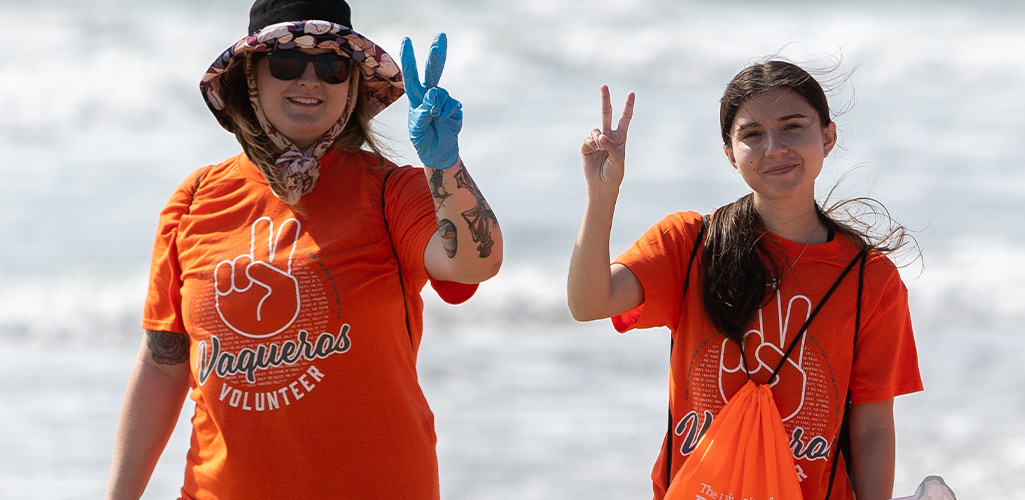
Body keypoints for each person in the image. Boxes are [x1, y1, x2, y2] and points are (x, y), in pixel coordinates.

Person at [104, 0, 503, 498]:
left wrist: (444, 164)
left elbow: (475, 262)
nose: (310, 80)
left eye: (333, 65)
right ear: (250, 76)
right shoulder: (195, 198)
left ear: (353, 84)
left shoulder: (391, 191)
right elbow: (164, 363)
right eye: (287, 62)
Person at [565, 61, 921, 500]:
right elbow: (588, 303)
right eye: (752, 134)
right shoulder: (690, 244)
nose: (774, 148)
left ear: (827, 137)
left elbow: (873, 427)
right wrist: (602, 194)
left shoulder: (871, 279)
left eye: (793, 127)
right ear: (730, 154)